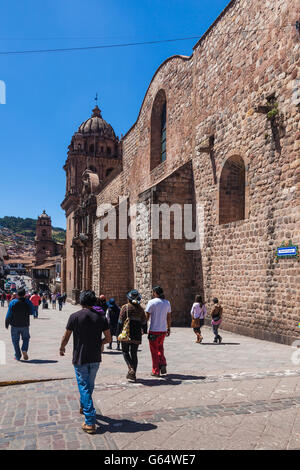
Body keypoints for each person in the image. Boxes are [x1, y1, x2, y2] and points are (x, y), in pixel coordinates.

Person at [59, 290, 111, 434]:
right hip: (95, 357)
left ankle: (89, 421)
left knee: (84, 386)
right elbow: (108, 339)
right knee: (89, 385)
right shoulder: (101, 318)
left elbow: (66, 336)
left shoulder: (74, 317)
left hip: (80, 357)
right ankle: (84, 405)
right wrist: (99, 342)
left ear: (81, 301)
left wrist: (62, 347)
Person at [118, 290, 147, 382]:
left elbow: (120, 322)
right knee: (134, 353)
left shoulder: (125, 307)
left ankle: (131, 369)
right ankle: (133, 374)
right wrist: (144, 331)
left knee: (125, 351)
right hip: (137, 334)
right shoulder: (141, 309)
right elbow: (144, 323)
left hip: (126, 333)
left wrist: (118, 333)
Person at [145, 286, 171, 377]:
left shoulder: (151, 302)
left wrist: (143, 327)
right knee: (160, 348)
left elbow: (147, 316)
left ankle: (155, 370)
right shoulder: (167, 303)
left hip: (153, 330)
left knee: (154, 351)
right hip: (163, 330)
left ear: (155, 293)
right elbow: (168, 317)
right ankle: (162, 363)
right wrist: (168, 328)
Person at [5, 287, 34, 361]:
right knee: (26, 338)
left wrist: (6, 323)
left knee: (15, 341)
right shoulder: (28, 302)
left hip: (14, 325)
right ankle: (24, 349)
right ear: (24, 295)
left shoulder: (13, 302)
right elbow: (32, 312)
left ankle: (17, 355)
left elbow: (9, 314)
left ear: (17, 294)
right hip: (25, 324)